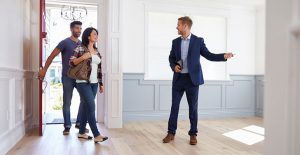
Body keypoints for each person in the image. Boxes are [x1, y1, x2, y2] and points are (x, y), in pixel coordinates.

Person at [163, 16, 234, 145]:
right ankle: (171, 133)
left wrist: (223, 56)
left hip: (192, 80)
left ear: (185, 26)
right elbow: (171, 58)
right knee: (174, 107)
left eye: (178, 25)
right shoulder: (175, 42)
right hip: (178, 79)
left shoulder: (198, 41)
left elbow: (209, 55)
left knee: (193, 108)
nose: (176, 27)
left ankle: (193, 134)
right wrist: (174, 66)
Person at [38, 21, 88, 135]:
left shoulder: (82, 44)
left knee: (84, 100)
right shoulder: (64, 43)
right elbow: (51, 56)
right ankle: (67, 126)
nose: (79, 30)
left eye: (80, 28)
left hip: (80, 78)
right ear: (71, 29)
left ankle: (79, 123)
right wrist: (44, 70)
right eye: (77, 28)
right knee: (67, 102)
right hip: (67, 77)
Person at [70, 27, 108, 143]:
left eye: (97, 34)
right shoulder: (80, 48)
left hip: (94, 84)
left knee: (86, 107)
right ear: (88, 36)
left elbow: (99, 69)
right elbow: (71, 62)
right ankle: (96, 134)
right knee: (91, 107)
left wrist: (101, 83)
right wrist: (82, 57)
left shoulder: (97, 51)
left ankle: (81, 132)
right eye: (94, 34)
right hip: (83, 83)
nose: (96, 36)